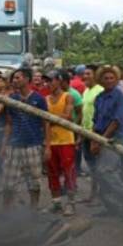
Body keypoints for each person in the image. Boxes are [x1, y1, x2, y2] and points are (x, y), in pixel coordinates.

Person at [0, 69, 50, 210]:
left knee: (34, 182)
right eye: (13, 78)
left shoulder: (39, 99)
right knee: (8, 182)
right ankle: (6, 211)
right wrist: (3, 145)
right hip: (14, 145)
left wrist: (47, 146)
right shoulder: (12, 99)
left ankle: (33, 211)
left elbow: (46, 123)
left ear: (27, 79)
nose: (14, 80)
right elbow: (9, 123)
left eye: (17, 78)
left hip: (33, 145)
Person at [90, 65, 123, 217]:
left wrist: (102, 140)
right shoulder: (99, 98)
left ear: (116, 79)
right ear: (101, 80)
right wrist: (94, 140)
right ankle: (111, 207)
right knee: (99, 173)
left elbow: (117, 120)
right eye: (105, 78)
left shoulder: (120, 97)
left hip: (114, 138)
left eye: (112, 78)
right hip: (99, 137)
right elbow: (96, 120)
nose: (109, 80)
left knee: (107, 171)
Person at [46, 70, 77, 215]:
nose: (49, 84)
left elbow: (68, 116)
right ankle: (56, 202)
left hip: (66, 140)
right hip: (51, 141)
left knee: (69, 172)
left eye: (51, 80)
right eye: (47, 81)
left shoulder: (67, 96)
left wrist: (49, 118)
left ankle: (71, 203)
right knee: (52, 172)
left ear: (58, 81)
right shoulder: (45, 99)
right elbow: (45, 121)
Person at [80, 65, 103, 203]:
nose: (85, 76)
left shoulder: (99, 91)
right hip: (86, 133)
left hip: (95, 133)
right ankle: (93, 194)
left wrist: (95, 137)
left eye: (88, 74)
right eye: (84, 74)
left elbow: (99, 115)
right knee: (91, 166)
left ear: (95, 75)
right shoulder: (86, 90)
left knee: (97, 166)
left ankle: (98, 195)